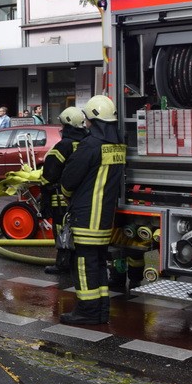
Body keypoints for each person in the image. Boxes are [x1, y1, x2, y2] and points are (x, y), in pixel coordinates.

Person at [59, 95, 126, 326]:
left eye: (87, 120)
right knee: (97, 265)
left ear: (94, 120)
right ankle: (100, 311)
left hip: (86, 218)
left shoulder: (90, 145)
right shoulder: (118, 147)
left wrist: (67, 195)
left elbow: (69, 180)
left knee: (83, 266)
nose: (85, 123)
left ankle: (87, 311)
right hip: (105, 219)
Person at [41, 107, 89, 275]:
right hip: (82, 196)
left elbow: (50, 171)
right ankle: (75, 261)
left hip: (61, 196)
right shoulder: (86, 142)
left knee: (62, 229)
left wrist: (45, 191)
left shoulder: (64, 145)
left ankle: (63, 264)